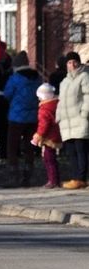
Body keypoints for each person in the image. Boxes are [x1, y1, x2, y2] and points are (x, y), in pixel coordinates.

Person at [3, 50, 42, 188]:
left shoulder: (15, 78)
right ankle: (28, 176)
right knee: (29, 147)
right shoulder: (37, 78)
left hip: (16, 117)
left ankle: (13, 176)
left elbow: (7, 94)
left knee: (12, 147)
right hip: (33, 117)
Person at [56, 51, 89, 189]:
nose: (72, 64)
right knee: (71, 152)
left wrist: (84, 113)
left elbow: (88, 96)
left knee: (81, 150)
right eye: (69, 62)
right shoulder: (64, 82)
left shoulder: (84, 76)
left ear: (79, 62)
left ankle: (82, 178)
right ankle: (75, 177)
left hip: (79, 120)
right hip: (66, 122)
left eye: (75, 61)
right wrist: (58, 116)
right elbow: (60, 100)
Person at [31, 82, 62, 188]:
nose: (39, 99)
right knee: (52, 159)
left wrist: (38, 135)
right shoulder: (56, 105)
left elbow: (43, 125)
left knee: (49, 159)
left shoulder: (44, 109)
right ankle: (55, 179)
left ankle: (53, 180)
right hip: (56, 134)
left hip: (48, 137)